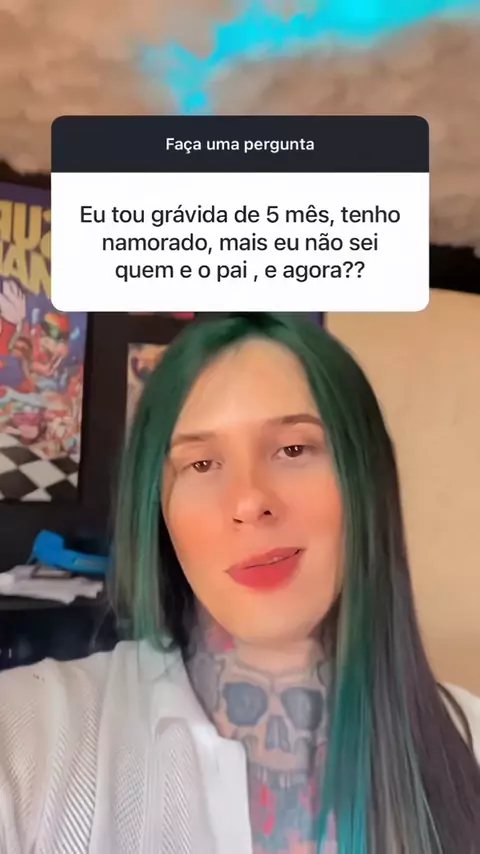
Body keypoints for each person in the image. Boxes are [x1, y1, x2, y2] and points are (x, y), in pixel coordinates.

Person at [0, 312, 479, 854]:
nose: (250, 501)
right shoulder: (32, 734)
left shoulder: (471, 740)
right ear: (159, 509)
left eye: (293, 450)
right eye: (203, 464)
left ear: (367, 481)